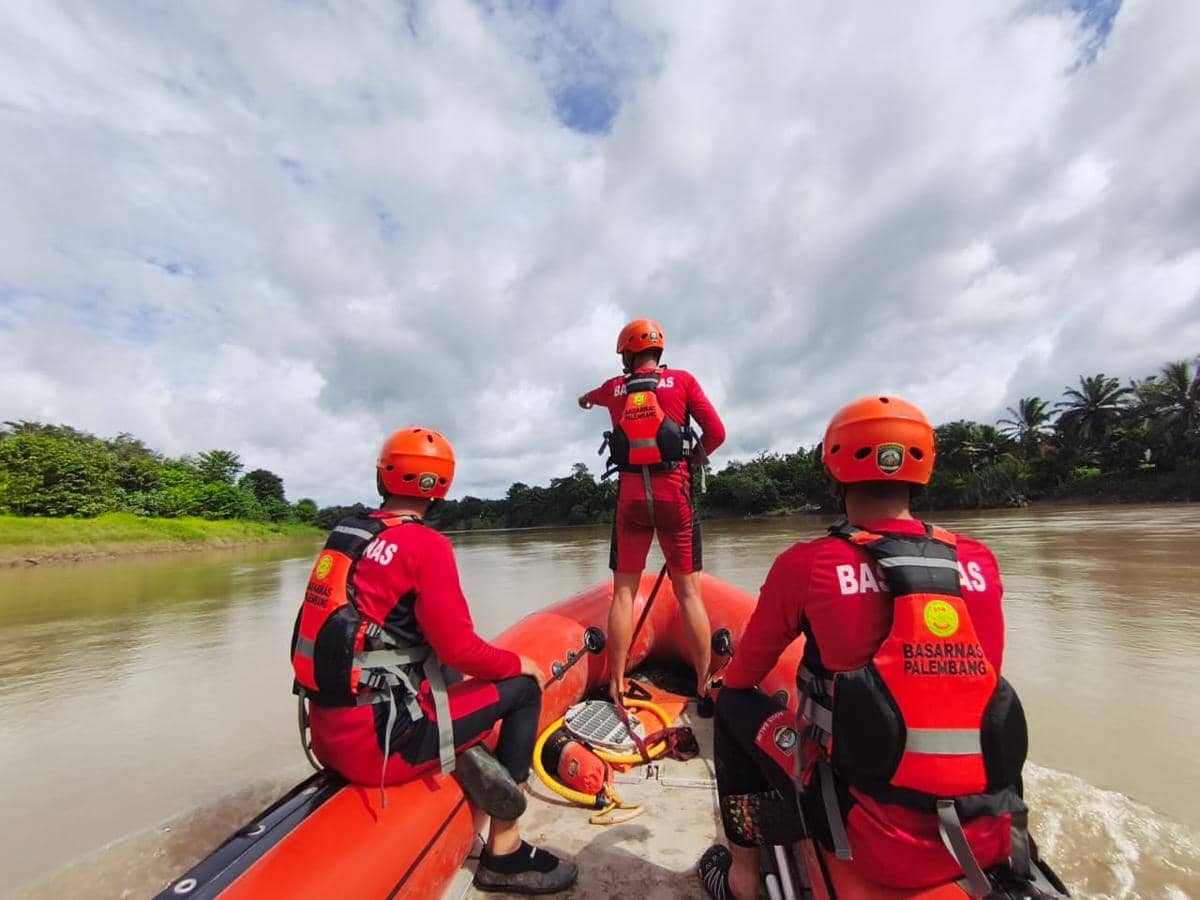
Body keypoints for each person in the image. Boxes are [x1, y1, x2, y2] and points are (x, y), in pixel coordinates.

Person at [698, 396, 1061, 900]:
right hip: (988, 828)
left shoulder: (809, 564)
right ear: (924, 470)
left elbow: (743, 674)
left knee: (732, 700)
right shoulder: (978, 560)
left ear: (833, 472)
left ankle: (740, 879)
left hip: (873, 836)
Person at [291, 427, 577, 895]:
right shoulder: (426, 546)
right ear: (441, 487)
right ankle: (505, 850)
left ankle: (460, 749)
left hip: (324, 736)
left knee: (439, 668)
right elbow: (461, 649)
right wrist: (519, 664)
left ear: (383, 476)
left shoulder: (347, 533)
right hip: (382, 748)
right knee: (523, 689)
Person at [578, 318, 726, 703]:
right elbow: (717, 433)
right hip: (675, 497)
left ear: (627, 354)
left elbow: (589, 396)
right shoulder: (684, 381)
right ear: (658, 350)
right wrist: (695, 458)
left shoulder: (614, 388)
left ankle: (617, 683)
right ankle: (703, 684)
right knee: (689, 594)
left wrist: (586, 400)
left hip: (631, 502)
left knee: (623, 594)